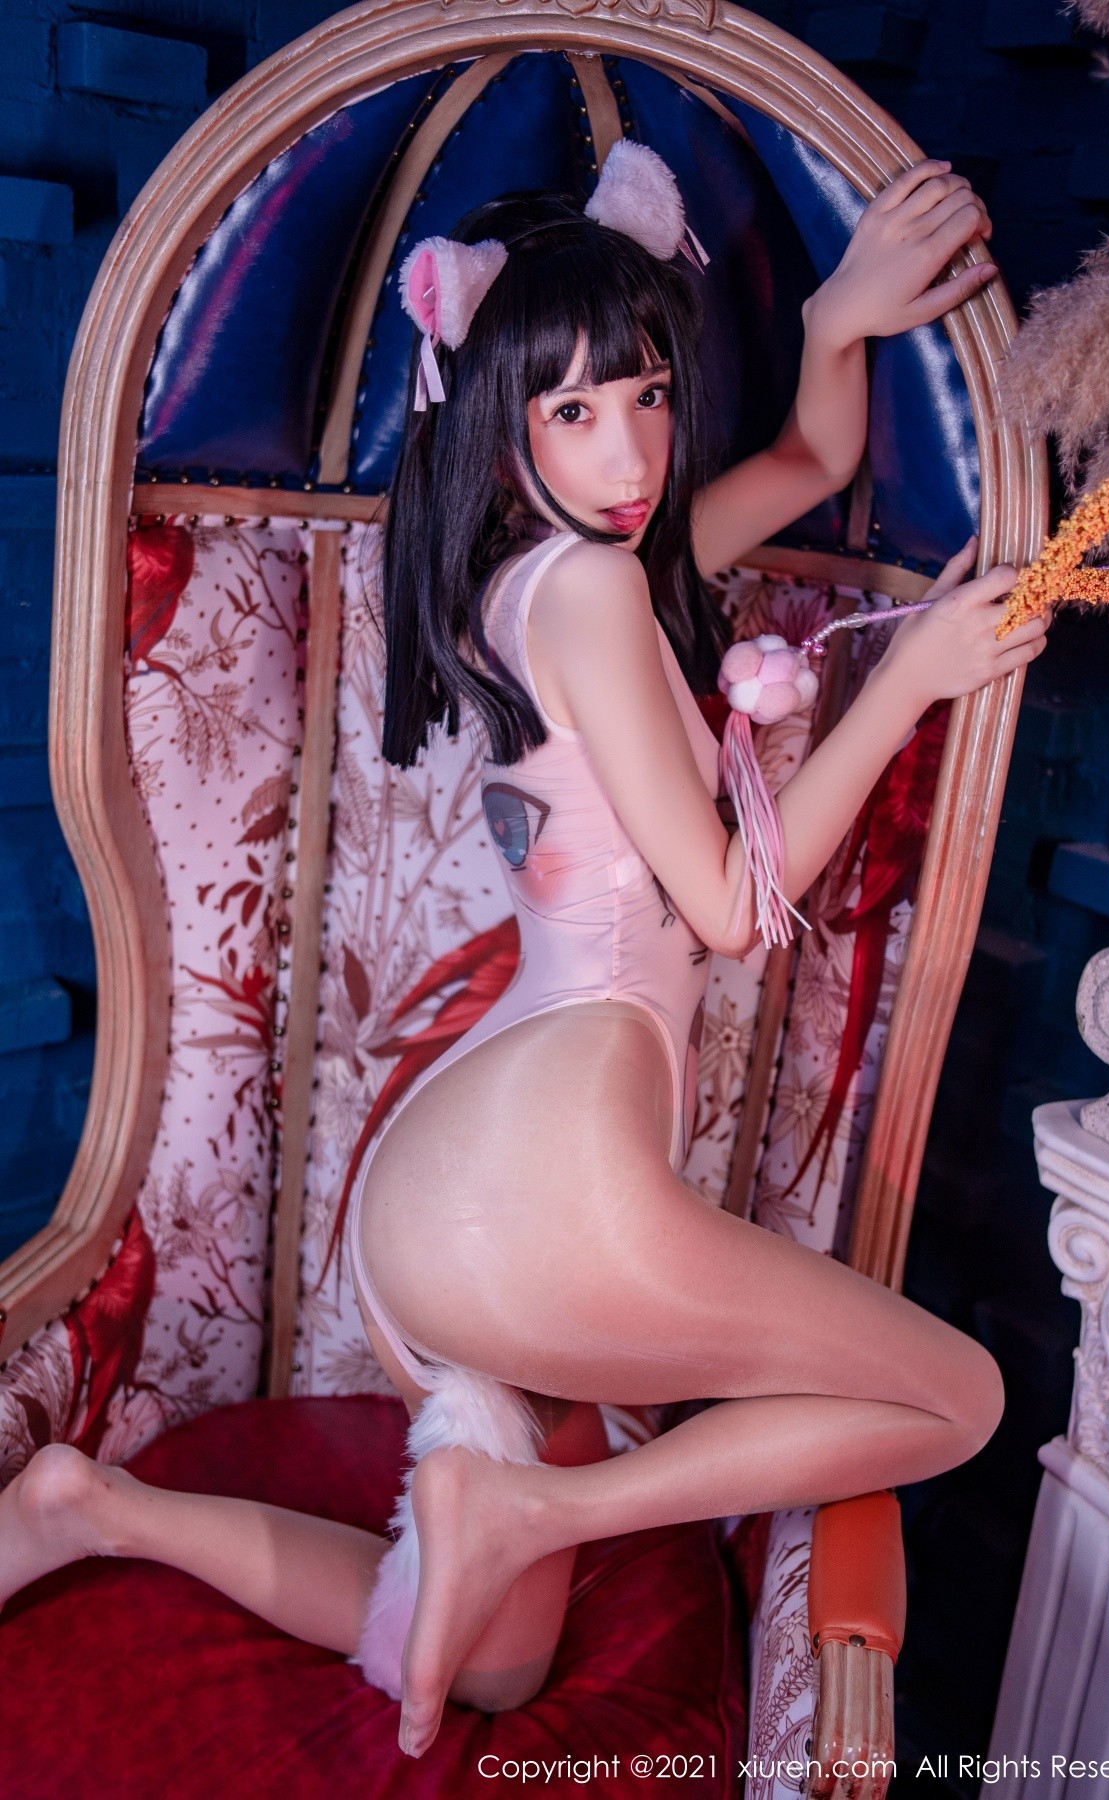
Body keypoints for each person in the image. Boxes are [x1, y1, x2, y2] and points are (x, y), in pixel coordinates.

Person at [0, 144, 1047, 1763]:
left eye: (646, 394)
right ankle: (539, 1510)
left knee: (491, 1674)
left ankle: (92, 1511)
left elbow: (812, 454)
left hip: (447, 1207)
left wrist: (836, 321)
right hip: (552, 1194)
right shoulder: (594, 592)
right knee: (958, 1399)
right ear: (500, 427)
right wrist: (911, 680)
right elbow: (733, 910)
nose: (629, 453)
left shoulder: (544, 574)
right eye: (572, 413)